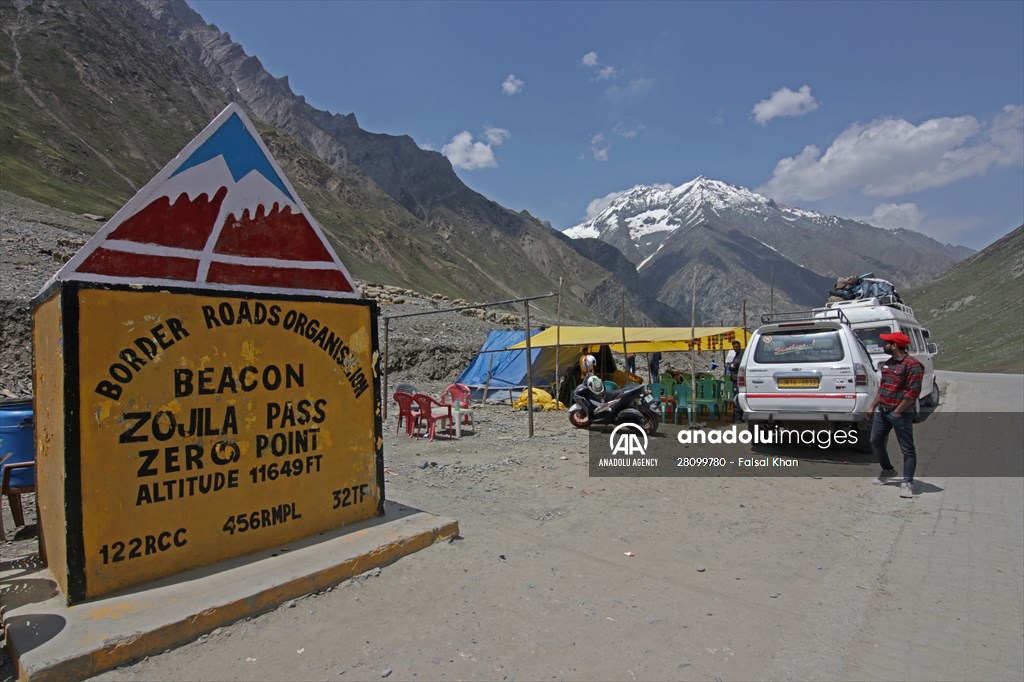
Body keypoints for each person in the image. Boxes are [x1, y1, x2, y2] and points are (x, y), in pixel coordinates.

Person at [868, 332, 924, 498]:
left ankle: (907, 482)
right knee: (875, 441)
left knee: (907, 448)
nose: (883, 344)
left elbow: (913, 392)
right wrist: (872, 406)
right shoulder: (888, 363)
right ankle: (888, 470)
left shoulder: (912, 365)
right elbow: (883, 388)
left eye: (887, 342)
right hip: (882, 411)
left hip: (900, 413)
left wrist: (899, 411)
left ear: (894, 345)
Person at [725, 341, 743, 422]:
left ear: (739, 346)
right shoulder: (737, 354)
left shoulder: (740, 354)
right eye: (734, 347)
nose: (735, 348)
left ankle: (738, 418)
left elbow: (735, 365)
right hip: (736, 378)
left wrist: (731, 365)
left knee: (736, 398)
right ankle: (739, 417)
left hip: (737, 379)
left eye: (736, 346)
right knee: (738, 398)